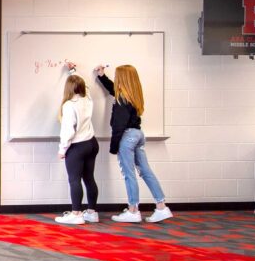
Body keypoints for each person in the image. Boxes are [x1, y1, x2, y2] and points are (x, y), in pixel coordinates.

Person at [95, 64, 172, 223]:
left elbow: (118, 126)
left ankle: (133, 210)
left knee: (129, 174)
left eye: (117, 77)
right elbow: (112, 89)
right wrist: (102, 76)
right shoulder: (133, 95)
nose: (115, 79)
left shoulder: (122, 99)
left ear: (122, 79)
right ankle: (161, 207)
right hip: (138, 135)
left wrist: (114, 146)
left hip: (127, 137)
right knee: (145, 171)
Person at [54, 73, 98, 225]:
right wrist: (73, 72)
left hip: (77, 146)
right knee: (89, 178)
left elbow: (68, 131)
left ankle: (76, 214)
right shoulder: (88, 98)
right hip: (92, 143)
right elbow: (86, 87)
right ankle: (92, 213)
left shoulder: (69, 105)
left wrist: (62, 150)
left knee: (74, 180)